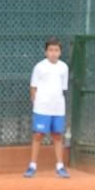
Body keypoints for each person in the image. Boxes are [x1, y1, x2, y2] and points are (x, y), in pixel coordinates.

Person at [24, 37, 70, 179]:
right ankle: (32, 166)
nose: (53, 53)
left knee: (57, 135)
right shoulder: (39, 67)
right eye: (50, 50)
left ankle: (60, 166)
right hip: (42, 108)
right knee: (38, 135)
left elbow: (63, 88)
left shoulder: (64, 67)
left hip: (58, 108)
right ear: (46, 52)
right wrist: (36, 104)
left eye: (56, 50)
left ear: (60, 52)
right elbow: (33, 87)